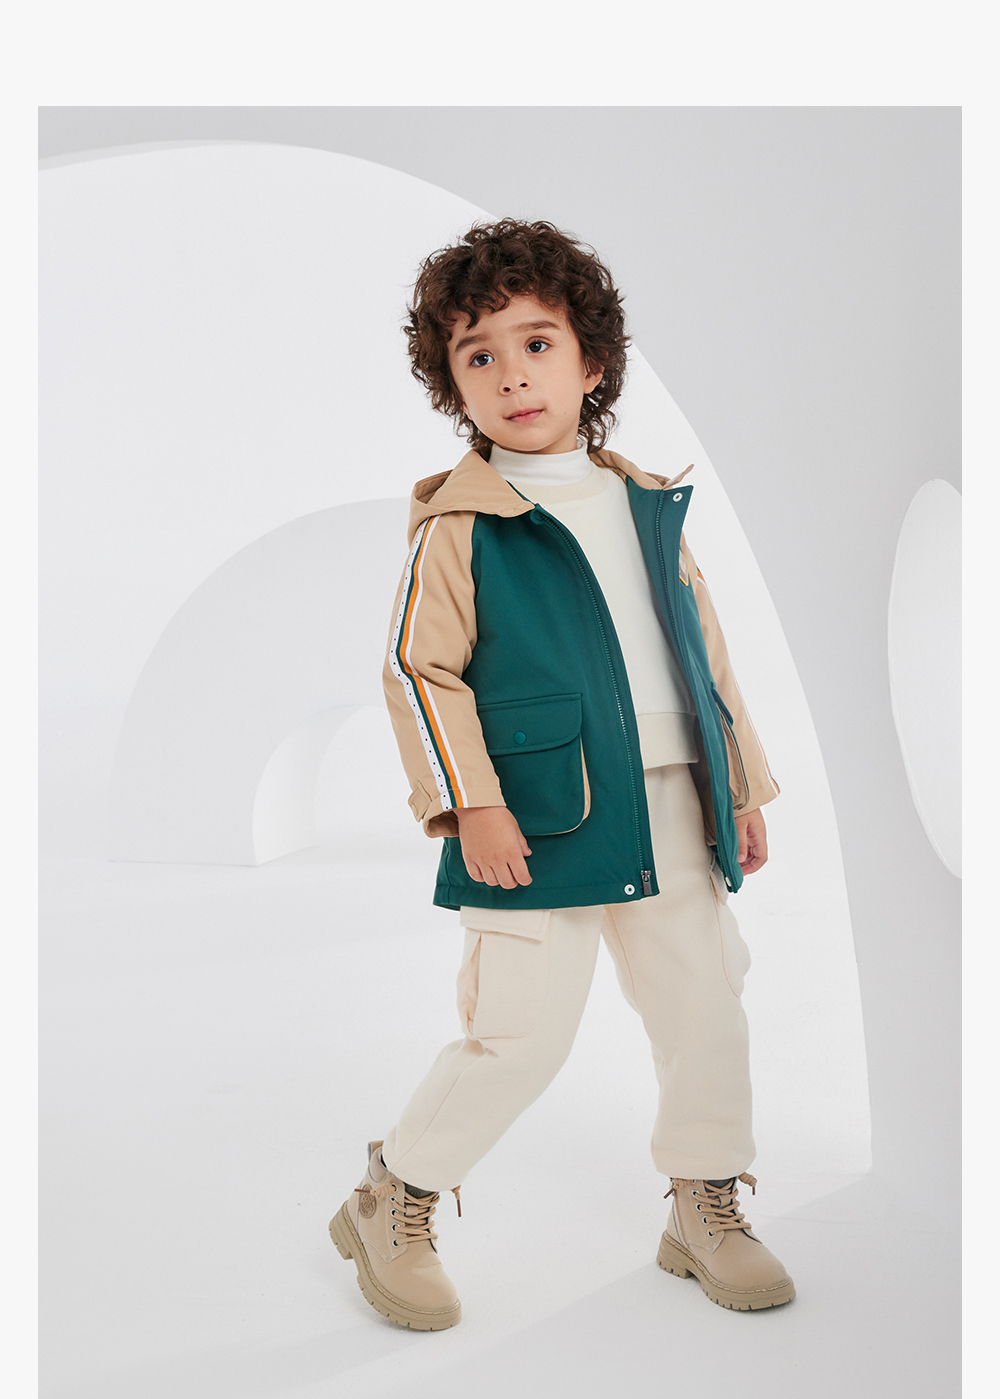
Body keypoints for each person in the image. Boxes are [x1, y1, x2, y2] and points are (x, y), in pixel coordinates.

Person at [328, 219, 794, 1329]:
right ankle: (395, 1193)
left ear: (592, 363)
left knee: (704, 1008)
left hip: (672, 804)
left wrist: (738, 785)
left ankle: (705, 1202)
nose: (511, 374)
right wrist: (473, 803)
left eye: (536, 344)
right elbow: (419, 669)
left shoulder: (647, 504)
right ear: (453, 387)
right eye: (478, 355)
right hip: (532, 820)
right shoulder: (463, 523)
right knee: (520, 1034)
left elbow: (704, 653)